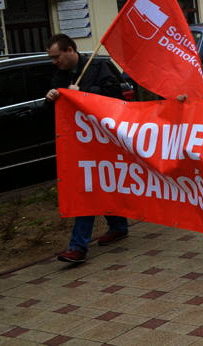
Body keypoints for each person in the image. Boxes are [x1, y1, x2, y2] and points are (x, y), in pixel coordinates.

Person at [45, 34, 129, 264]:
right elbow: (56, 111)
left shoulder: (99, 67)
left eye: (56, 56)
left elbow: (115, 96)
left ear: (70, 50)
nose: (54, 62)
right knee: (94, 184)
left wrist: (82, 93)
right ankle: (118, 226)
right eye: (52, 58)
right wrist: (51, 98)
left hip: (103, 140)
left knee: (90, 186)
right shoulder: (59, 75)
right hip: (79, 143)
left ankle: (78, 247)